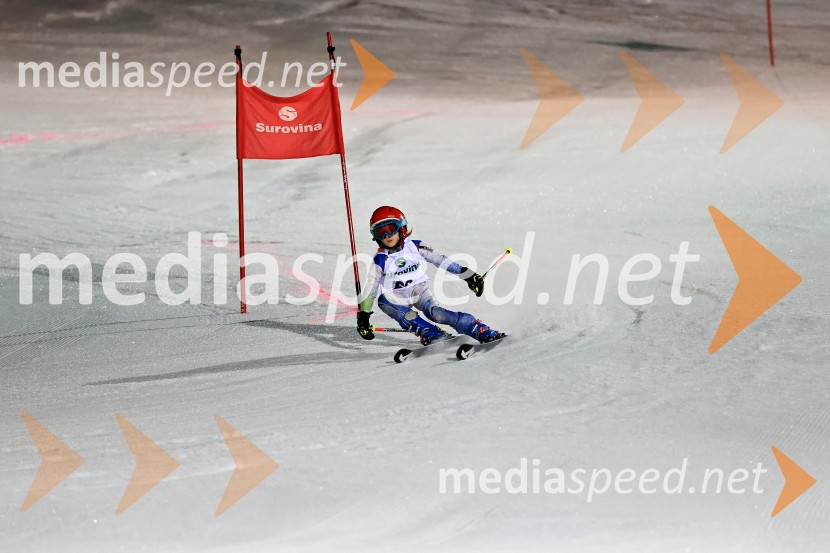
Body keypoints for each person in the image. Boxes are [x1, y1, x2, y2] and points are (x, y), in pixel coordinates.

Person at [356, 205, 505, 345]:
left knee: (437, 314)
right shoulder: (381, 259)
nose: (387, 235)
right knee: (384, 301)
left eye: (390, 228)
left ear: (401, 227)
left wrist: (466, 274)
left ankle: (477, 328)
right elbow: (371, 287)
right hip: (396, 296)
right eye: (381, 232)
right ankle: (431, 333)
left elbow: (440, 260)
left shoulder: (415, 246)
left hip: (418, 290)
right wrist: (363, 315)